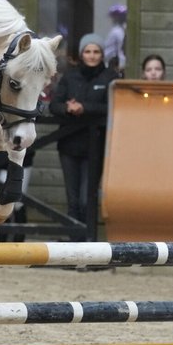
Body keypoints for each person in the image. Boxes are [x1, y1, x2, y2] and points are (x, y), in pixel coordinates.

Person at [49, 32, 119, 237]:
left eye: (96, 51)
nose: (92, 55)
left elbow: (112, 106)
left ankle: (89, 243)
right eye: (88, 51)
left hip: (95, 148)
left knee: (86, 199)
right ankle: (73, 247)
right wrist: (67, 108)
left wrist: (84, 108)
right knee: (72, 200)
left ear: (102, 54)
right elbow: (54, 105)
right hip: (69, 146)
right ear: (81, 54)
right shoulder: (69, 77)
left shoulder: (110, 78)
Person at [103, 4, 127, 74]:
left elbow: (120, 49)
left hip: (120, 64)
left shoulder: (117, 31)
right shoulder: (117, 30)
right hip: (115, 63)